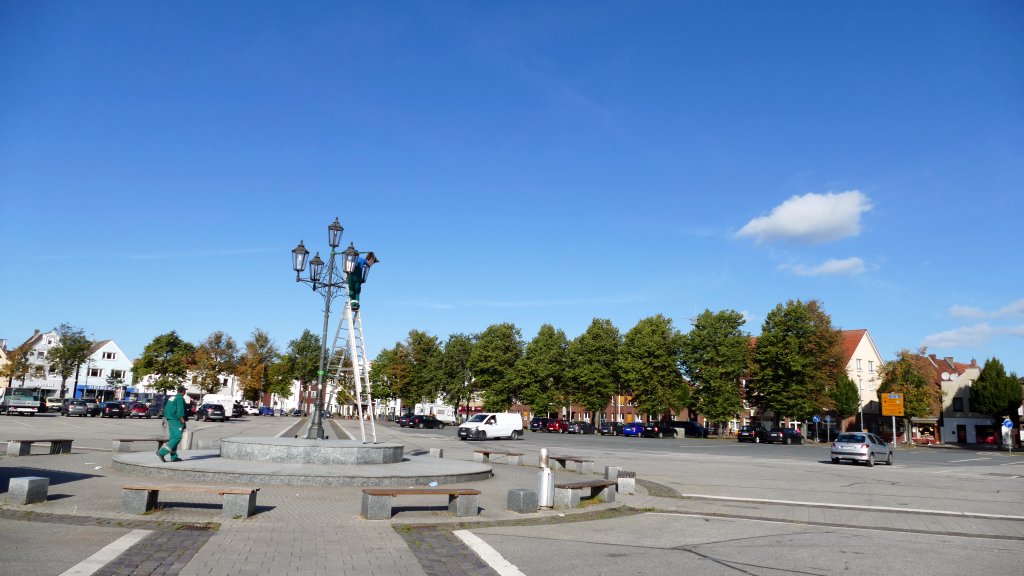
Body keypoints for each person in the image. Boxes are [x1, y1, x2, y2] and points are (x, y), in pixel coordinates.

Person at [157, 386, 188, 462]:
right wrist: (183, 421)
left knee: (173, 438)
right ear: (183, 391)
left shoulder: (172, 397)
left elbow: (166, 409)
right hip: (176, 420)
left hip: (170, 419)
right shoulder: (180, 398)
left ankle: (174, 457)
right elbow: (180, 411)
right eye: (185, 391)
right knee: (177, 437)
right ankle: (162, 452)